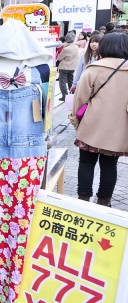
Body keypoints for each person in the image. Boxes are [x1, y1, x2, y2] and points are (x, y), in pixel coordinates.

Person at [70, 32, 128, 206]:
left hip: (92, 124)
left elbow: (79, 99)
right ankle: (104, 201)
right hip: (119, 127)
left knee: (86, 162)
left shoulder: (94, 69)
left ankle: (83, 199)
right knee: (110, 165)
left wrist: (76, 121)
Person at [56, 33, 79, 101]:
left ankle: (65, 96)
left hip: (64, 67)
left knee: (62, 82)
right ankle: (72, 94)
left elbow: (59, 57)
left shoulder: (66, 49)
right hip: (72, 67)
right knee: (70, 81)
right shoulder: (76, 47)